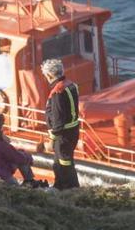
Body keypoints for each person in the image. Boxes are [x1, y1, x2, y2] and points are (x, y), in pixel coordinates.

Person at [42, 58, 80, 189]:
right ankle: (65, 187)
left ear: (49, 75)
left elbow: (58, 119)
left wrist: (51, 140)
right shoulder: (71, 85)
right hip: (72, 131)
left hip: (63, 135)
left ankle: (67, 188)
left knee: (63, 164)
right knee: (63, 162)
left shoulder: (58, 91)